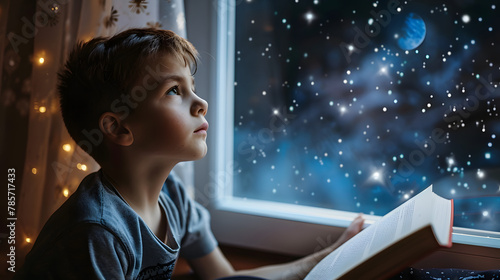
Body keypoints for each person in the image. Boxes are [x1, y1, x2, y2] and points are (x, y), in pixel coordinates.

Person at [15, 28, 365, 280]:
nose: (201, 104)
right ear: (119, 128)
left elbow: (223, 277)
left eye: (192, 88)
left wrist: (329, 256)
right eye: (173, 91)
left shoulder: (174, 198)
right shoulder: (96, 233)